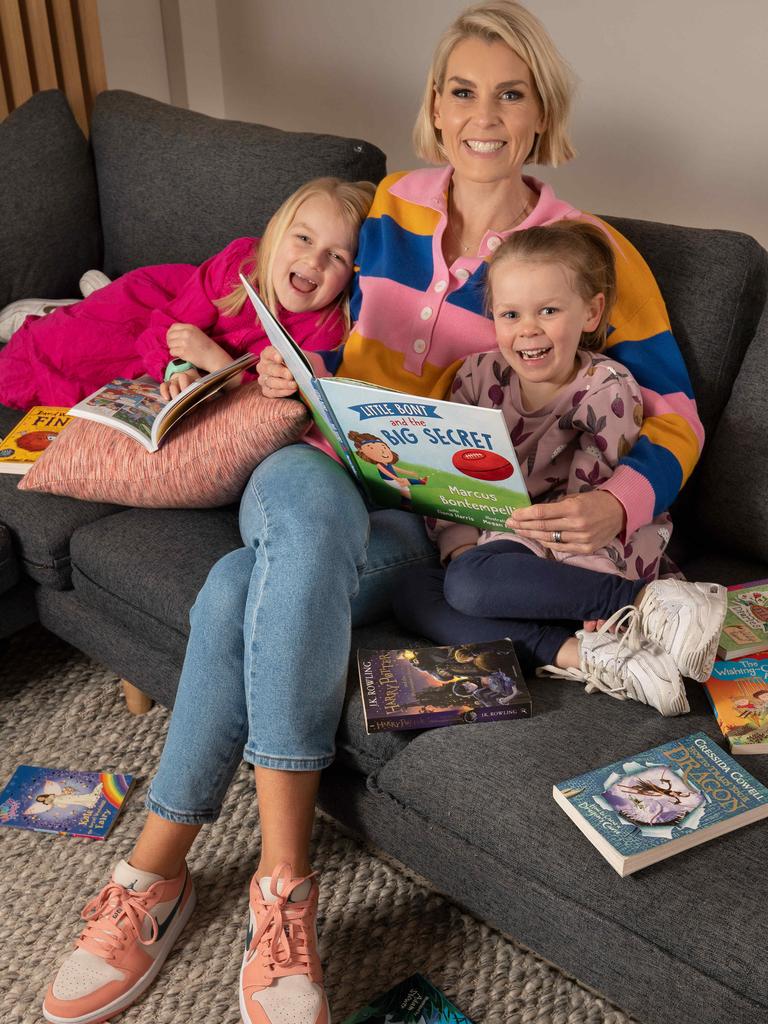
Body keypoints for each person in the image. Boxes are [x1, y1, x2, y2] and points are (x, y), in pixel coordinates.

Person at [43, 4, 709, 1024]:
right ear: (435, 109)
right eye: (461, 90)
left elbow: (672, 413)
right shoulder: (392, 203)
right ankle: (285, 886)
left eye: (510, 91)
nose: (482, 114)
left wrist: (616, 502)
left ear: (541, 111)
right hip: (320, 469)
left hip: (425, 526)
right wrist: (283, 367)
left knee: (237, 591)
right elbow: (326, 324)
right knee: (301, 526)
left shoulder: (584, 247)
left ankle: (154, 874)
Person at [395, 221, 727, 716]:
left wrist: (581, 599)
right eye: (511, 314)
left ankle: (644, 602)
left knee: (470, 585)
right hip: (504, 551)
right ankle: (589, 656)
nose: (528, 329)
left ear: (591, 313)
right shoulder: (475, 377)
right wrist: (459, 543)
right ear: (493, 315)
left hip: (587, 555)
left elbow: (589, 518)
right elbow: (454, 482)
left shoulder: (605, 387)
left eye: (548, 311)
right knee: (411, 592)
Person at [0, 176, 374, 410]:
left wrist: (211, 359)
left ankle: (93, 295)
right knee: (32, 364)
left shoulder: (327, 331)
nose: (315, 261)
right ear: (276, 232)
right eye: (304, 238)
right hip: (162, 300)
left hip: (197, 342)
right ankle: (61, 310)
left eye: (337, 255)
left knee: (105, 382)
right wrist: (179, 365)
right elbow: (166, 326)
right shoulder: (241, 263)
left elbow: (276, 410)